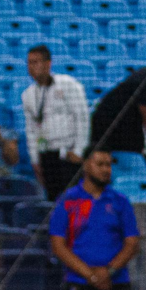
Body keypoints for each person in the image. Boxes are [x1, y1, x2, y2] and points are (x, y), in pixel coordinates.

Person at [49, 148, 141, 290]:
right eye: (100, 164)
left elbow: (132, 243)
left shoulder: (121, 201)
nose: (106, 170)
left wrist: (108, 272)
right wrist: (91, 276)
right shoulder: (67, 200)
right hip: (79, 283)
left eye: (108, 165)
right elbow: (58, 245)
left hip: (117, 283)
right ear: (85, 165)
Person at [23, 45, 91, 200]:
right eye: (29, 63)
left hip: (68, 152)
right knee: (53, 200)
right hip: (46, 154)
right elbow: (31, 129)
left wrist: (79, 150)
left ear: (48, 64)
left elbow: (82, 117)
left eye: (36, 62)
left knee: (74, 199)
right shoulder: (28, 95)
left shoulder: (67, 84)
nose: (32, 67)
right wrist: (35, 159)